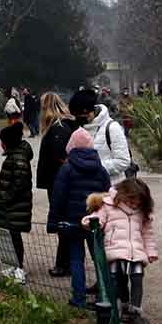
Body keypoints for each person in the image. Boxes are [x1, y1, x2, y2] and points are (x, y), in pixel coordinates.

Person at [83, 177, 158, 324]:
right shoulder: (108, 206)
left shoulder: (142, 212)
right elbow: (98, 219)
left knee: (137, 279)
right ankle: (120, 307)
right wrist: (90, 221)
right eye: (132, 199)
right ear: (123, 194)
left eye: (138, 200)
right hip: (115, 250)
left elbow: (147, 234)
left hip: (136, 252)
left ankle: (135, 312)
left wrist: (150, 251)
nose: (135, 203)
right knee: (118, 280)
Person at [47, 128, 110, 308]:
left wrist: (53, 222)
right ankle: (104, 296)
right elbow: (108, 195)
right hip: (95, 222)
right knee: (99, 258)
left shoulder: (66, 169)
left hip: (73, 222)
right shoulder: (101, 169)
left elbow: (58, 197)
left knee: (76, 259)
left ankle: (79, 297)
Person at [0, 100, 33, 284]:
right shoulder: (14, 156)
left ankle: (18, 268)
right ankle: (11, 266)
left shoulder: (17, 159)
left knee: (14, 238)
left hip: (14, 207)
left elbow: (20, 184)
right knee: (6, 237)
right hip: (8, 207)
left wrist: (5, 198)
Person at [37, 92, 76, 277]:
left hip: (59, 182)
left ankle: (65, 263)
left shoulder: (58, 129)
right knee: (65, 221)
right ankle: (66, 261)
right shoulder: (61, 126)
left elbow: (61, 159)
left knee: (63, 221)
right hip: (59, 181)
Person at [70, 88, 133, 186]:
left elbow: (123, 161)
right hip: (85, 189)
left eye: (82, 116)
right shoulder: (78, 128)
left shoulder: (112, 128)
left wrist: (95, 167)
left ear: (90, 111)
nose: (80, 119)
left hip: (110, 189)